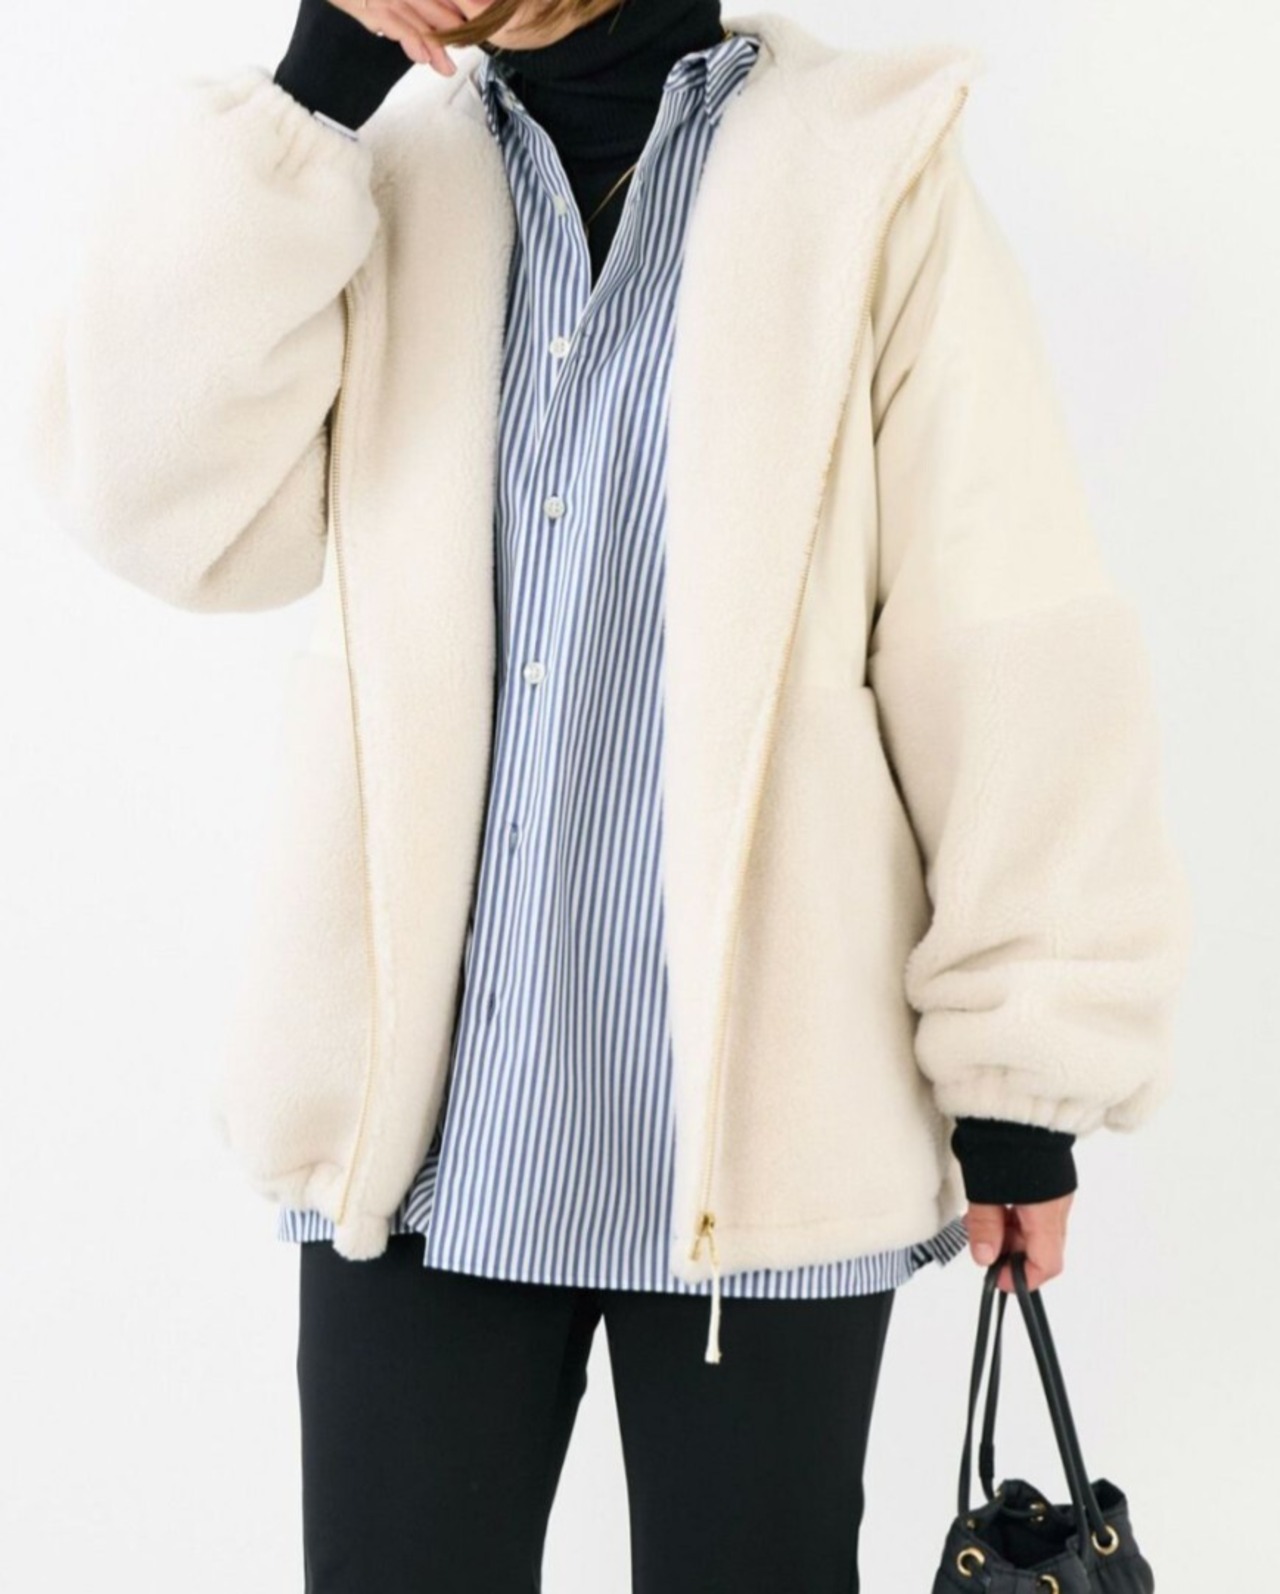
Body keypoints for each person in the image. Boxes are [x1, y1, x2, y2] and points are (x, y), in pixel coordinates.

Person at [23, 0, 1192, 1587]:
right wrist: (312, 94)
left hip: (760, 1150)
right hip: (420, 1148)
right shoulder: (382, 175)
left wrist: (1022, 1082)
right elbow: (147, 497)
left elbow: (998, 631)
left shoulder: (868, 171)